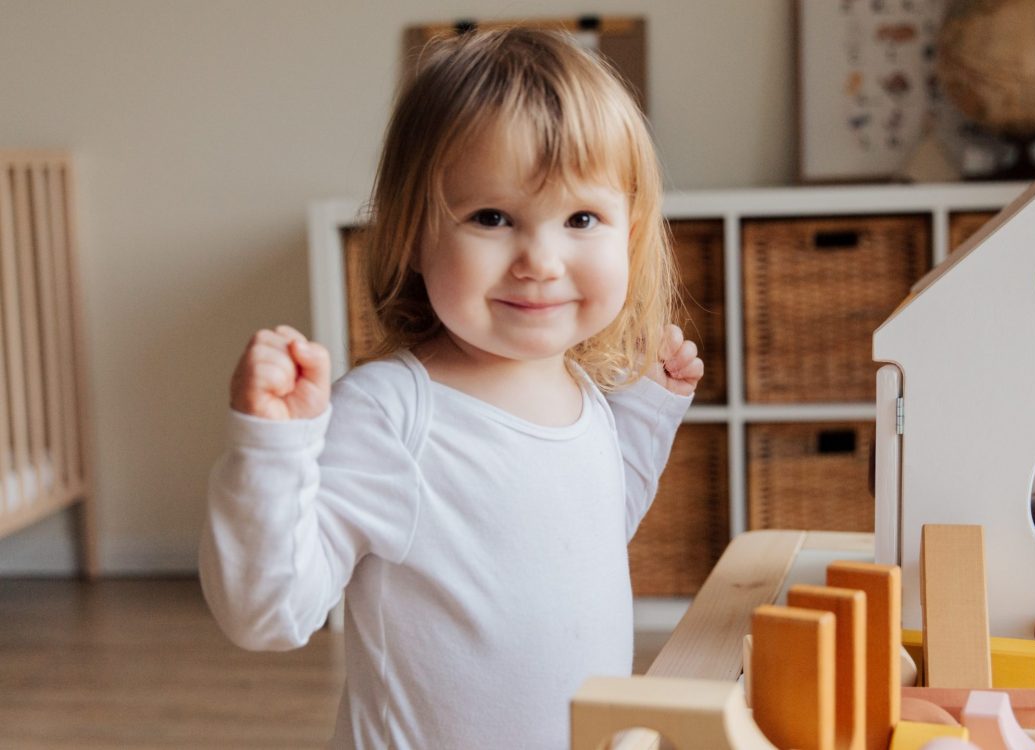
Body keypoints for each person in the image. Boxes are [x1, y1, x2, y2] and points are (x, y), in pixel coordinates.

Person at [199, 27, 703, 748]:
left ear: (629, 233)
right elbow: (267, 612)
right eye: (492, 218)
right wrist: (271, 451)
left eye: (581, 218)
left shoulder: (581, 393)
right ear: (412, 233)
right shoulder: (390, 415)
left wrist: (644, 414)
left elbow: (588, 534)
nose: (540, 259)